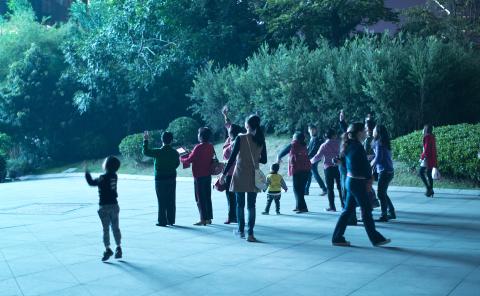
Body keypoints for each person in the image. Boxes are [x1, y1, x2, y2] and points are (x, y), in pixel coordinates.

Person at [332, 123, 391, 247]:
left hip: (350, 181)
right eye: (364, 130)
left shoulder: (348, 145)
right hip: (358, 183)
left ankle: (337, 237)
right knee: (366, 210)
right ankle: (376, 239)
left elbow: (345, 162)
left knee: (347, 210)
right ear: (358, 133)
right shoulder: (358, 147)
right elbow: (364, 167)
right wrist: (369, 179)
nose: (366, 132)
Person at [221, 115, 267, 242]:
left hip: (240, 174)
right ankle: (250, 234)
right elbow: (264, 160)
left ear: (247, 125)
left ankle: (241, 231)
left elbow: (231, 158)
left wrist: (224, 174)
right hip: (253, 176)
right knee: (251, 206)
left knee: (240, 204)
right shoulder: (261, 139)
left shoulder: (240, 138)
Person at [85, 156, 123, 261]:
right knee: (115, 227)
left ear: (105, 166)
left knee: (106, 229)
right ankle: (118, 247)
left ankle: (108, 249)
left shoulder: (102, 177)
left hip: (104, 207)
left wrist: (86, 171)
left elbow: (91, 183)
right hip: (115, 205)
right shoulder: (115, 176)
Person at [143, 131, 180, 226]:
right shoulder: (175, 152)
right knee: (171, 199)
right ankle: (171, 220)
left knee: (161, 200)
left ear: (161, 140)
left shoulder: (158, 152)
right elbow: (177, 164)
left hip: (160, 179)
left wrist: (146, 140)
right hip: (171, 178)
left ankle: (162, 221)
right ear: (171, 140)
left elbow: (145, 151)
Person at [181, 127, 215, 225]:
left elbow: (189, 160)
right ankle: (209, 218)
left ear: (201, 136)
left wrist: (181, 159)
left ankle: (202, 219)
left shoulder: (198, 147)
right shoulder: (210, 146)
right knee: (207, 197)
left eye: (198, 133)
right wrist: (191, 152)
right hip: (208, 175)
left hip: (199, 176)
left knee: (199, 198)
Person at [277, 131, 312, 213]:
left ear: (296, 138)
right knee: (300, 189)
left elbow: (283, 151)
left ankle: (302, 208)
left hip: (298, 169)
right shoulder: (303, 145)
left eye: (293, 136)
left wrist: (278, 157)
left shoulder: (294, 143)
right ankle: (299, 206)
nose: (292, 138)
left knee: (297, 189)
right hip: (306, 170)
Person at [221, 107, 244, 224]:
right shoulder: (234, 138)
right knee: (233, 195)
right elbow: (229, 125)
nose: (227, 132)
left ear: (232, 134)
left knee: (231, 195)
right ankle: (235, 216)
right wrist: (225, 114)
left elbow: (229, 157)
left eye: (229, 132)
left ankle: (232, 216)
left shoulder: (234, 144)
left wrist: (223, 174)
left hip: (231, 172)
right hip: (235, 172)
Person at [311, 128, 343, 212]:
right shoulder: (339, 143)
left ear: (326, 136)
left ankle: (332, 207)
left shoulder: (324, 145)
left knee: (330, 188)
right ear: (334, 135)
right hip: (338, 167)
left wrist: (310, 161)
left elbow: (318, 156)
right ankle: (344, 205)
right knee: (340, 187)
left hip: (328, 168)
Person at [370, 125, 396, 222]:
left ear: (378, 132)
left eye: (374, 129)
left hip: (384, 171)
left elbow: (378, 158)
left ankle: (384, 215)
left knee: (381, 194)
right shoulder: (383, 142)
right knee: (383, 192)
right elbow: (378, 156)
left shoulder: (379, 143)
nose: (373, 131)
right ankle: (391, 212)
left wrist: (371, 164)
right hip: (389, 171)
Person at [305, 125, 327, 196]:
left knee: (314, 173)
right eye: (310, 130)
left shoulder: (316, 139)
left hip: (314, 158)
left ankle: (324, 189)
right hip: (311, 158)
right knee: (309, 174)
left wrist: (307, 156)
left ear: (315, 130)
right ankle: (306, 190)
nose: (312, 131)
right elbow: (308, 149)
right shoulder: (312, 139)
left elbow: (314, 150)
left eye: (313, 130)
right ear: (308, 130)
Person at [419, 124, 438, 197]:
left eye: (424, 128)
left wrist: (422, 157)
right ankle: (431, 190)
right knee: (429, 174)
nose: (423, 130)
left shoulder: (427, 137)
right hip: (432, 158)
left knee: (421, 172)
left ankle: (428, 188)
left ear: (426, 130)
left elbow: (426, 149)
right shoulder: (432, 137)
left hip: (427, 158)